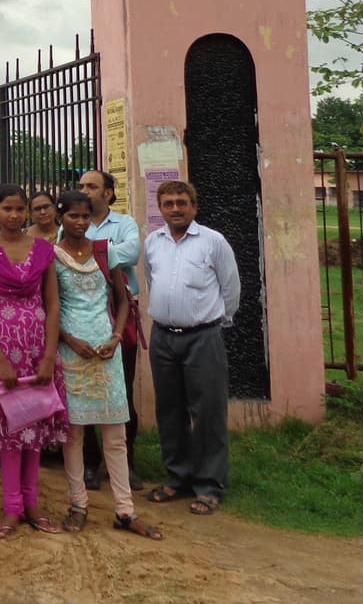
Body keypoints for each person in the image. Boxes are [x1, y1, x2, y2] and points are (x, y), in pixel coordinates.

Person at [52, 190, 162, 540]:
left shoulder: (105, 250)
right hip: (72, 351)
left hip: (106, 350)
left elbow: (122, 299)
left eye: (85, 216)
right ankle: (78, 504)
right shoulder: (51, 256)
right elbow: (49, 307)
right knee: (74, 435)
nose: (80, 222)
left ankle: (125, 511)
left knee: (115, 434)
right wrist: (70, 340)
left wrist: (116, 337)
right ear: (60, 217)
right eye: (73, 216)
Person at [0, 184, 69, 539]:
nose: (14, 215)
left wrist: (49, 356)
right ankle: (11, 508)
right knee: (10, 431)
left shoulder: (44, 250)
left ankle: (32, 505)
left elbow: (52, 304)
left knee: (34, 427)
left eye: (20, 209)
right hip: (1, 349)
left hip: (38, 349)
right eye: (7, 208)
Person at [144, 180, 240, 516]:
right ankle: (177, 476)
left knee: (208, 412)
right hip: (163, 337)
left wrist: (214, 324)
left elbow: (230, 289)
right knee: (170, 410)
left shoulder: (213, 242)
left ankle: (209, 485)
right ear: (160, 208)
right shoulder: (152, 243)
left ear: (194, 207)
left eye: (181, 202)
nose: (175, 208)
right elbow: (152, 282)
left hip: (203, 337)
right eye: (168, 203)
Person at [78, 169, 143, 491]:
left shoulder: (125, 223)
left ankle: (126, 464)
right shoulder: (74, 223)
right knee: (84, 393)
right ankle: (90, 463)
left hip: (120, 315)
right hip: (83, 316)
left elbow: (133, 253)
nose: (84, 191)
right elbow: (66, 254)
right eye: (81, 186)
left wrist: (91, 250)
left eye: (91, 186)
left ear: (107, 192)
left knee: (123, 391)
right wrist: (107, 250)